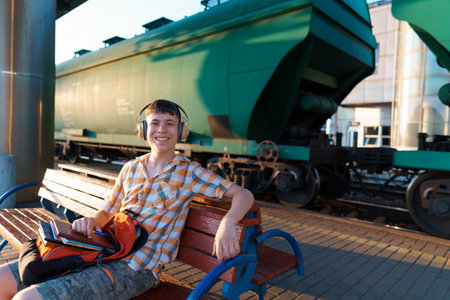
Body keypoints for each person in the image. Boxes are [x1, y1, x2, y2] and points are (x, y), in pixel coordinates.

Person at [0, 99, 254, 300]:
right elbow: (107, 211)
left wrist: (229, 222)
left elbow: (243, 194)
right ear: (143, 129)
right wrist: (90, 221)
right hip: (105, 249)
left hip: (137, 269)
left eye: (169, 123)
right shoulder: (131, 168)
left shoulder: (190, 172)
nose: (162, 130)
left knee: (28, 298)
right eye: (154, 123)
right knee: (3, 279)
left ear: (181, 131)